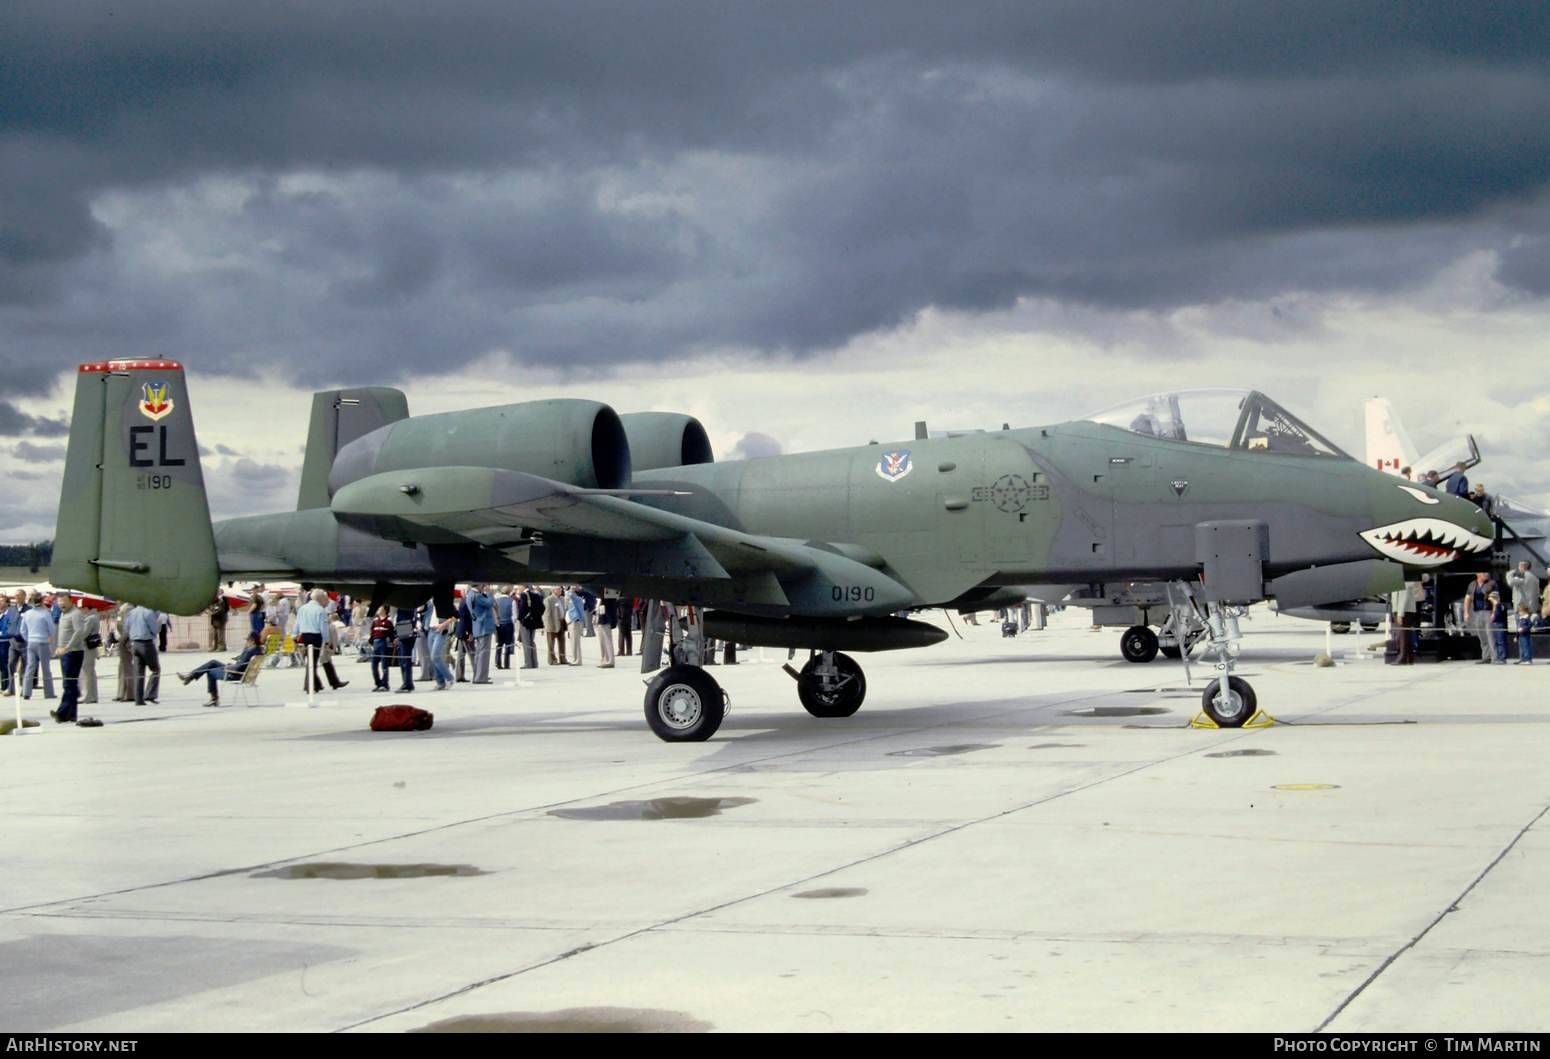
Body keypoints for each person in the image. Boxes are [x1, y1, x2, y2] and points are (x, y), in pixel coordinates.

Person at [178, 633, 266, 706]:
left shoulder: (249, 651)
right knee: (212, 662)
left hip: (235, 674)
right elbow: (243, 664)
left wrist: (228, 667)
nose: (246, 642)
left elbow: (238, 667)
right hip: (244, 674)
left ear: (252, 641)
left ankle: (213, 698)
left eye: (247, 640)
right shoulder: (259, 650)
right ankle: (190, 676)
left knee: (210, 671)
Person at [51, 594, 88, 723]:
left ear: (70, 601)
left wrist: (66, 647)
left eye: (64, 601)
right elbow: (62, 632)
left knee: (69, 683)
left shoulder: (75, 613)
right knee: (69, 684)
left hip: (73, 652)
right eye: (59, 602)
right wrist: (58, 647)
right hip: (64, 652)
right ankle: (71, 714)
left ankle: (61, 713)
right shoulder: (63, 614)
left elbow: (79, 632)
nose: (62, 604)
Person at [293, 589, 332, 694]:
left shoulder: (302, 608)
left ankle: (316, 684)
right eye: (324, 598)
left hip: (305, 636)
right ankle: (309, 685)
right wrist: (327, 640)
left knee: (310, 661)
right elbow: (323, 627)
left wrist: (294, 635)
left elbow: (297, 623)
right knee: (312, 662)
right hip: (315, 636)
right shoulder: (320, 610)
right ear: (320, 598)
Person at [19, 593, 56, 701]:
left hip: (31, 641)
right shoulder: (45, 614)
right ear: (41, 601)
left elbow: (23, 630)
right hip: (43, 642)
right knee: (46, 668)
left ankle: (26, 692)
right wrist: (49, 636)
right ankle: (49, 693)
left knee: (30, 667)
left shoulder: (27, 614)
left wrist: (28, 638)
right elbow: (52, 629)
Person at [126, 603, 161, 703]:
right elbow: (154, 629)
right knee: (155, 669)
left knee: (139, 672)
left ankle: (138, 699)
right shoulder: (148, 612)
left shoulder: (131, 612)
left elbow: (127, 627)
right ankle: (150, 694)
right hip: (146, 643)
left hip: (135, 643)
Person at [468, 583, 494, 683]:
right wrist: (489, 593)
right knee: (484, 653)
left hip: (477, 626)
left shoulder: (470, 595)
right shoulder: (477, 596)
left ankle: (477, 676)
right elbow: (490, 603)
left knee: (478, 653)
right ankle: (481, 677)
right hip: (484, 626)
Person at [516, 584, 543, 669]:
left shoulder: (524, 595)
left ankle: (528, 663)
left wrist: (520, 618)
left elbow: (522, 608)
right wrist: (536, 616)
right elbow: (542, 607)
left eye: (519, 586)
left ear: (523, 587)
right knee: (532, 642)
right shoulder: (537, 595)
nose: (518, 588)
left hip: (525, 622)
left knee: (526, 643)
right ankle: (534, 662)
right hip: (534, 622)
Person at [392, 606, 418, 692]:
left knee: (405, 660)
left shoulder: (405, 606)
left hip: (405, 630)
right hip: (404, 629)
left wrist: (398, 635)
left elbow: (402, 620)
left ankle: (407, 683)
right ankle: (407, 682)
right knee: (403, 660)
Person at [113, 603, 135, 701]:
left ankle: (129, 693)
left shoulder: (128, 608)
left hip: (126, 640)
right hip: (123, 639)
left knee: (127, 667)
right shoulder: (123, 607)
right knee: (122, 667)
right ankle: (121, 692)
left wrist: (123, 640)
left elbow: (127, 626)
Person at [79, 604, 101, 704]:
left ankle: (86, 695)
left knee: (86, 672)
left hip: (86, 647)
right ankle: (93, 695)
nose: (80, 610)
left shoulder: (89, 619)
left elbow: (84, 633)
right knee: (91, 672)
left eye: (81, 608)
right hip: (91, 647)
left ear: (87, 608)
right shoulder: (94, 617)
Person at [369, 606, 394, 692]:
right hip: (376, 643)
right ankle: (378, 683)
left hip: (383, 643)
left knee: (384, 665)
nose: (378, 609)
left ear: (385, 610)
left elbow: (391, 634)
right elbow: (372, 633)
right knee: (374, 665)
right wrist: (371, 642)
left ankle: (385, 684)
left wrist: (391, 641)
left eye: (380, 608)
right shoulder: (375, 621)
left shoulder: (388, 621)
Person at [544, 585, 566, 666]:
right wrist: (548, 625)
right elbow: (546, 614)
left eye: (561, 589)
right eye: (558, 589)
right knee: (551, 644)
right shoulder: (548, 600)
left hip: (561, 623)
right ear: (553, 590)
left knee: (562, 642)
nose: (560, 590)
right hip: (552, 623)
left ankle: (563, 658)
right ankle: (552, 660)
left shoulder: (562, 599)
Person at [494, 585, 515, 670]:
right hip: (508, 624)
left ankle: (498, 662)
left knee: (499, 644)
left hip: (499, 624)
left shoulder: (496, 601)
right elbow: (514, 614)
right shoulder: (511, 601)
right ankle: (507, 664)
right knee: (508, 644)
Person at [565, 586, 586, 665]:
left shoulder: (576, 598)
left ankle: (577, 659)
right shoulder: (573, 598)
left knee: (575, 641)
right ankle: (575, 659)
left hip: (575, 620)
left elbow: (569, 595)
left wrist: (570, 589)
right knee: (573, 641)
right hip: (572, 620)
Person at [597, 595, 618, 669]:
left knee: (608, 641)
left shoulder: (609, 596)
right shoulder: (604, 597)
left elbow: (611, 609)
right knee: (604, 642)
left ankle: (610, 660)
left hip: (606, 620)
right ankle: (606, 659)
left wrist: (611, 621)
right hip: (603, 619)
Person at [1489, 591, 1509, 664]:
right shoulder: (1496, 606)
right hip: (1496, 624)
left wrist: (1493, 618)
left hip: (1499, 624)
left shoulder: (1499, 605)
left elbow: (1498, 615)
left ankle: (1502, 658)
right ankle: (1499, 657)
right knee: (1497, 641)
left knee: (1501, 642)